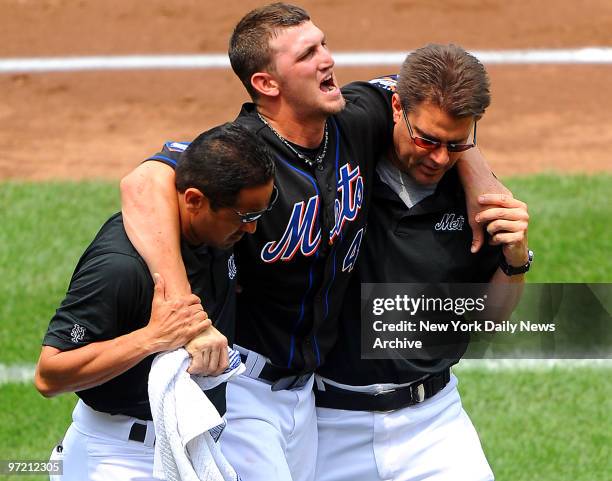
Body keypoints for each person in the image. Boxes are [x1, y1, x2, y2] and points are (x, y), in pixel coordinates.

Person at [119, 4, 511, 481]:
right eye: (308, 53)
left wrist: (479, 178)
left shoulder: (355, 117)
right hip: (246, 386)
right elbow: (142, 183)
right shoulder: (243, 154)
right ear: (266, 83)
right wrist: (185, 311)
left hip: (307, 402)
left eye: (323, 44)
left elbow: (425, 95)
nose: (327, 58)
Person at [314, 44, 531, 481]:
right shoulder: (342, 168)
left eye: (456, 146)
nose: (438, 158)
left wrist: (515, 259)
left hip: (433, 422)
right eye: (426, 139)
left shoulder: (479, 202)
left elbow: (486, 321)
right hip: (324, 426)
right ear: (397, 108)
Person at [34, 123, 276, 481]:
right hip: (118, 457)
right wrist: (152, 338)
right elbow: (49, 374)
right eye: (245, 217)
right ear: (194, 200)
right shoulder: (121, 267)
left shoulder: (214, 236)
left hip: (195, 447)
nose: (252, 230)